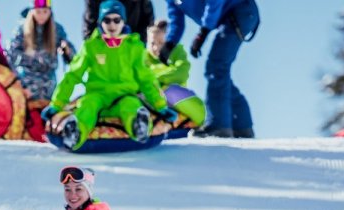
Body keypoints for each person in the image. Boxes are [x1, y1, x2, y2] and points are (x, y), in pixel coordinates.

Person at [41, 0, 174, 149]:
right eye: (107, 20)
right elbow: (73, 75)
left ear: (123, 22)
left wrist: (160, 105)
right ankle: (75, 132)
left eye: (117, 20)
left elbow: (146, 79)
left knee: (131, 105)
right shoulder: (91, 46)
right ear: (100, 22)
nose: (112, 25)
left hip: (124, 95)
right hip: (97, 95)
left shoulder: (134, 47)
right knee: (86, 106)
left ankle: (138, 126)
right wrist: (57, 104)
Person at [160, 0, 260, 138]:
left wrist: (203, 32)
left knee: (216, 68)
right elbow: (176, 20)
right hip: (229, 18)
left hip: (240, 11)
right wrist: (169, 44)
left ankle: (218, 125)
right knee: (218, 72)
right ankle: (242, 126)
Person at [6, 0, 76, 104]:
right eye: (38, 12)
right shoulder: (22, 30)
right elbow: (10, 55)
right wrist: (17, 83)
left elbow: (73, 58)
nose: (42, 16)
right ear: (32, 11)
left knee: (46, 112)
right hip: (26, 83)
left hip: (48, 85)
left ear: (50, 12)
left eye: (45, 11)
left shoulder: (57, 30)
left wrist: (67, 49)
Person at [82, 0, 155, 44]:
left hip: (131, 46)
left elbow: (147, 22)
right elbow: (90, 25)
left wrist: (138, 44)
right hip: (102, 47)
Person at [143, 19, 190, 87]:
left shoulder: (176, 50)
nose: (156, 48)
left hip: (173, 92)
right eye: (152, 43)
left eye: (161, 43)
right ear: (147, 40)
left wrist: (155, 79)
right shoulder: (142, 56)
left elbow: (182, 73)